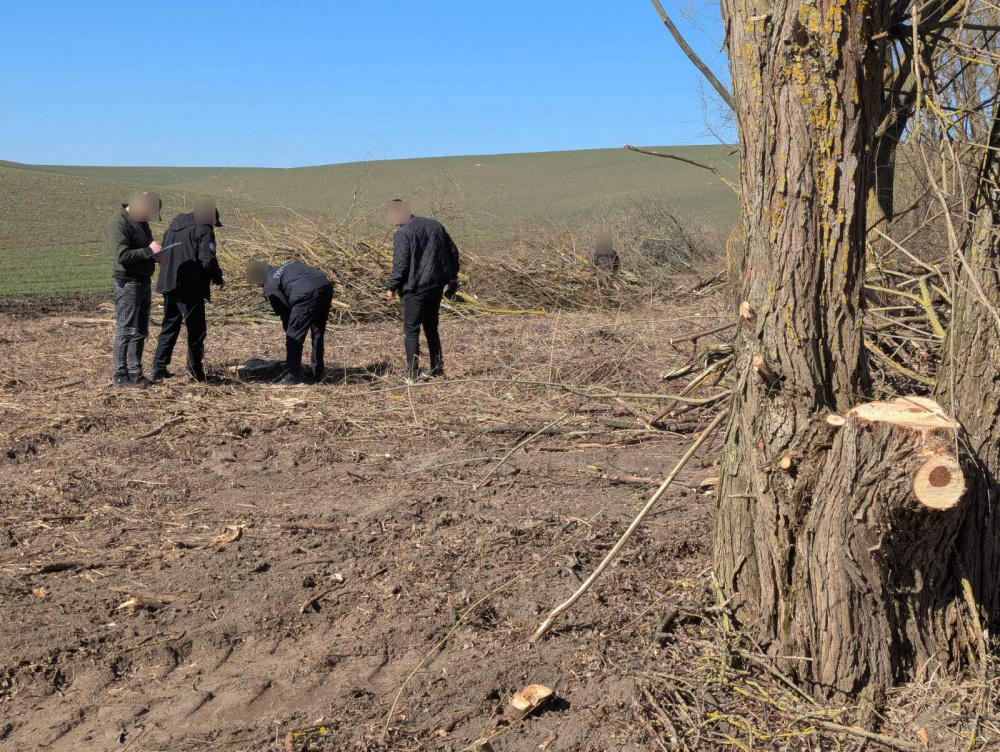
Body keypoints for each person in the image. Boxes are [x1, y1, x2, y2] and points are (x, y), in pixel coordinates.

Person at [384, 199, 460, 383]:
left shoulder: (403, 233)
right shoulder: (434, 225)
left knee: (411, 330)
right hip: (435, 286)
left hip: (415, 288)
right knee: (432, 328)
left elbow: (401, 265)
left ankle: (412, 373)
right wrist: (452, 276)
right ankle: (437, 368)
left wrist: (391, 286)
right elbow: (453, 251)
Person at [150, 199, 225, 383]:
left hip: (169, 283)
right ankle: (195, 370)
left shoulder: (172, 229)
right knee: (196, 329)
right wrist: (217, 277)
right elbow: (208, 259)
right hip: (190, 287)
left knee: (169, 325)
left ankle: (158, 368)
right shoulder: (204, 229)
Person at [106, 192, 166, 388]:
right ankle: (120, 374)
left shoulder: (141, 222)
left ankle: (135, 373)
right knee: (126, 329)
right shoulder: (118, 222)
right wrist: (149, 251)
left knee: (140, 330)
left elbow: (147, 246)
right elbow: (121, 255)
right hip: (128, 283)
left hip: (143, 281)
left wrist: (157, 255)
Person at [247, 260, 333, 385]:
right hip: (325, 286)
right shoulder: (284, 268)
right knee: (318, 332)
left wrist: (290, 330)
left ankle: (292, 375)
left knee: (294, 336)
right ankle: (317, 371)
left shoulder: (269, 284)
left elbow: (284, 311)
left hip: (305, 294)